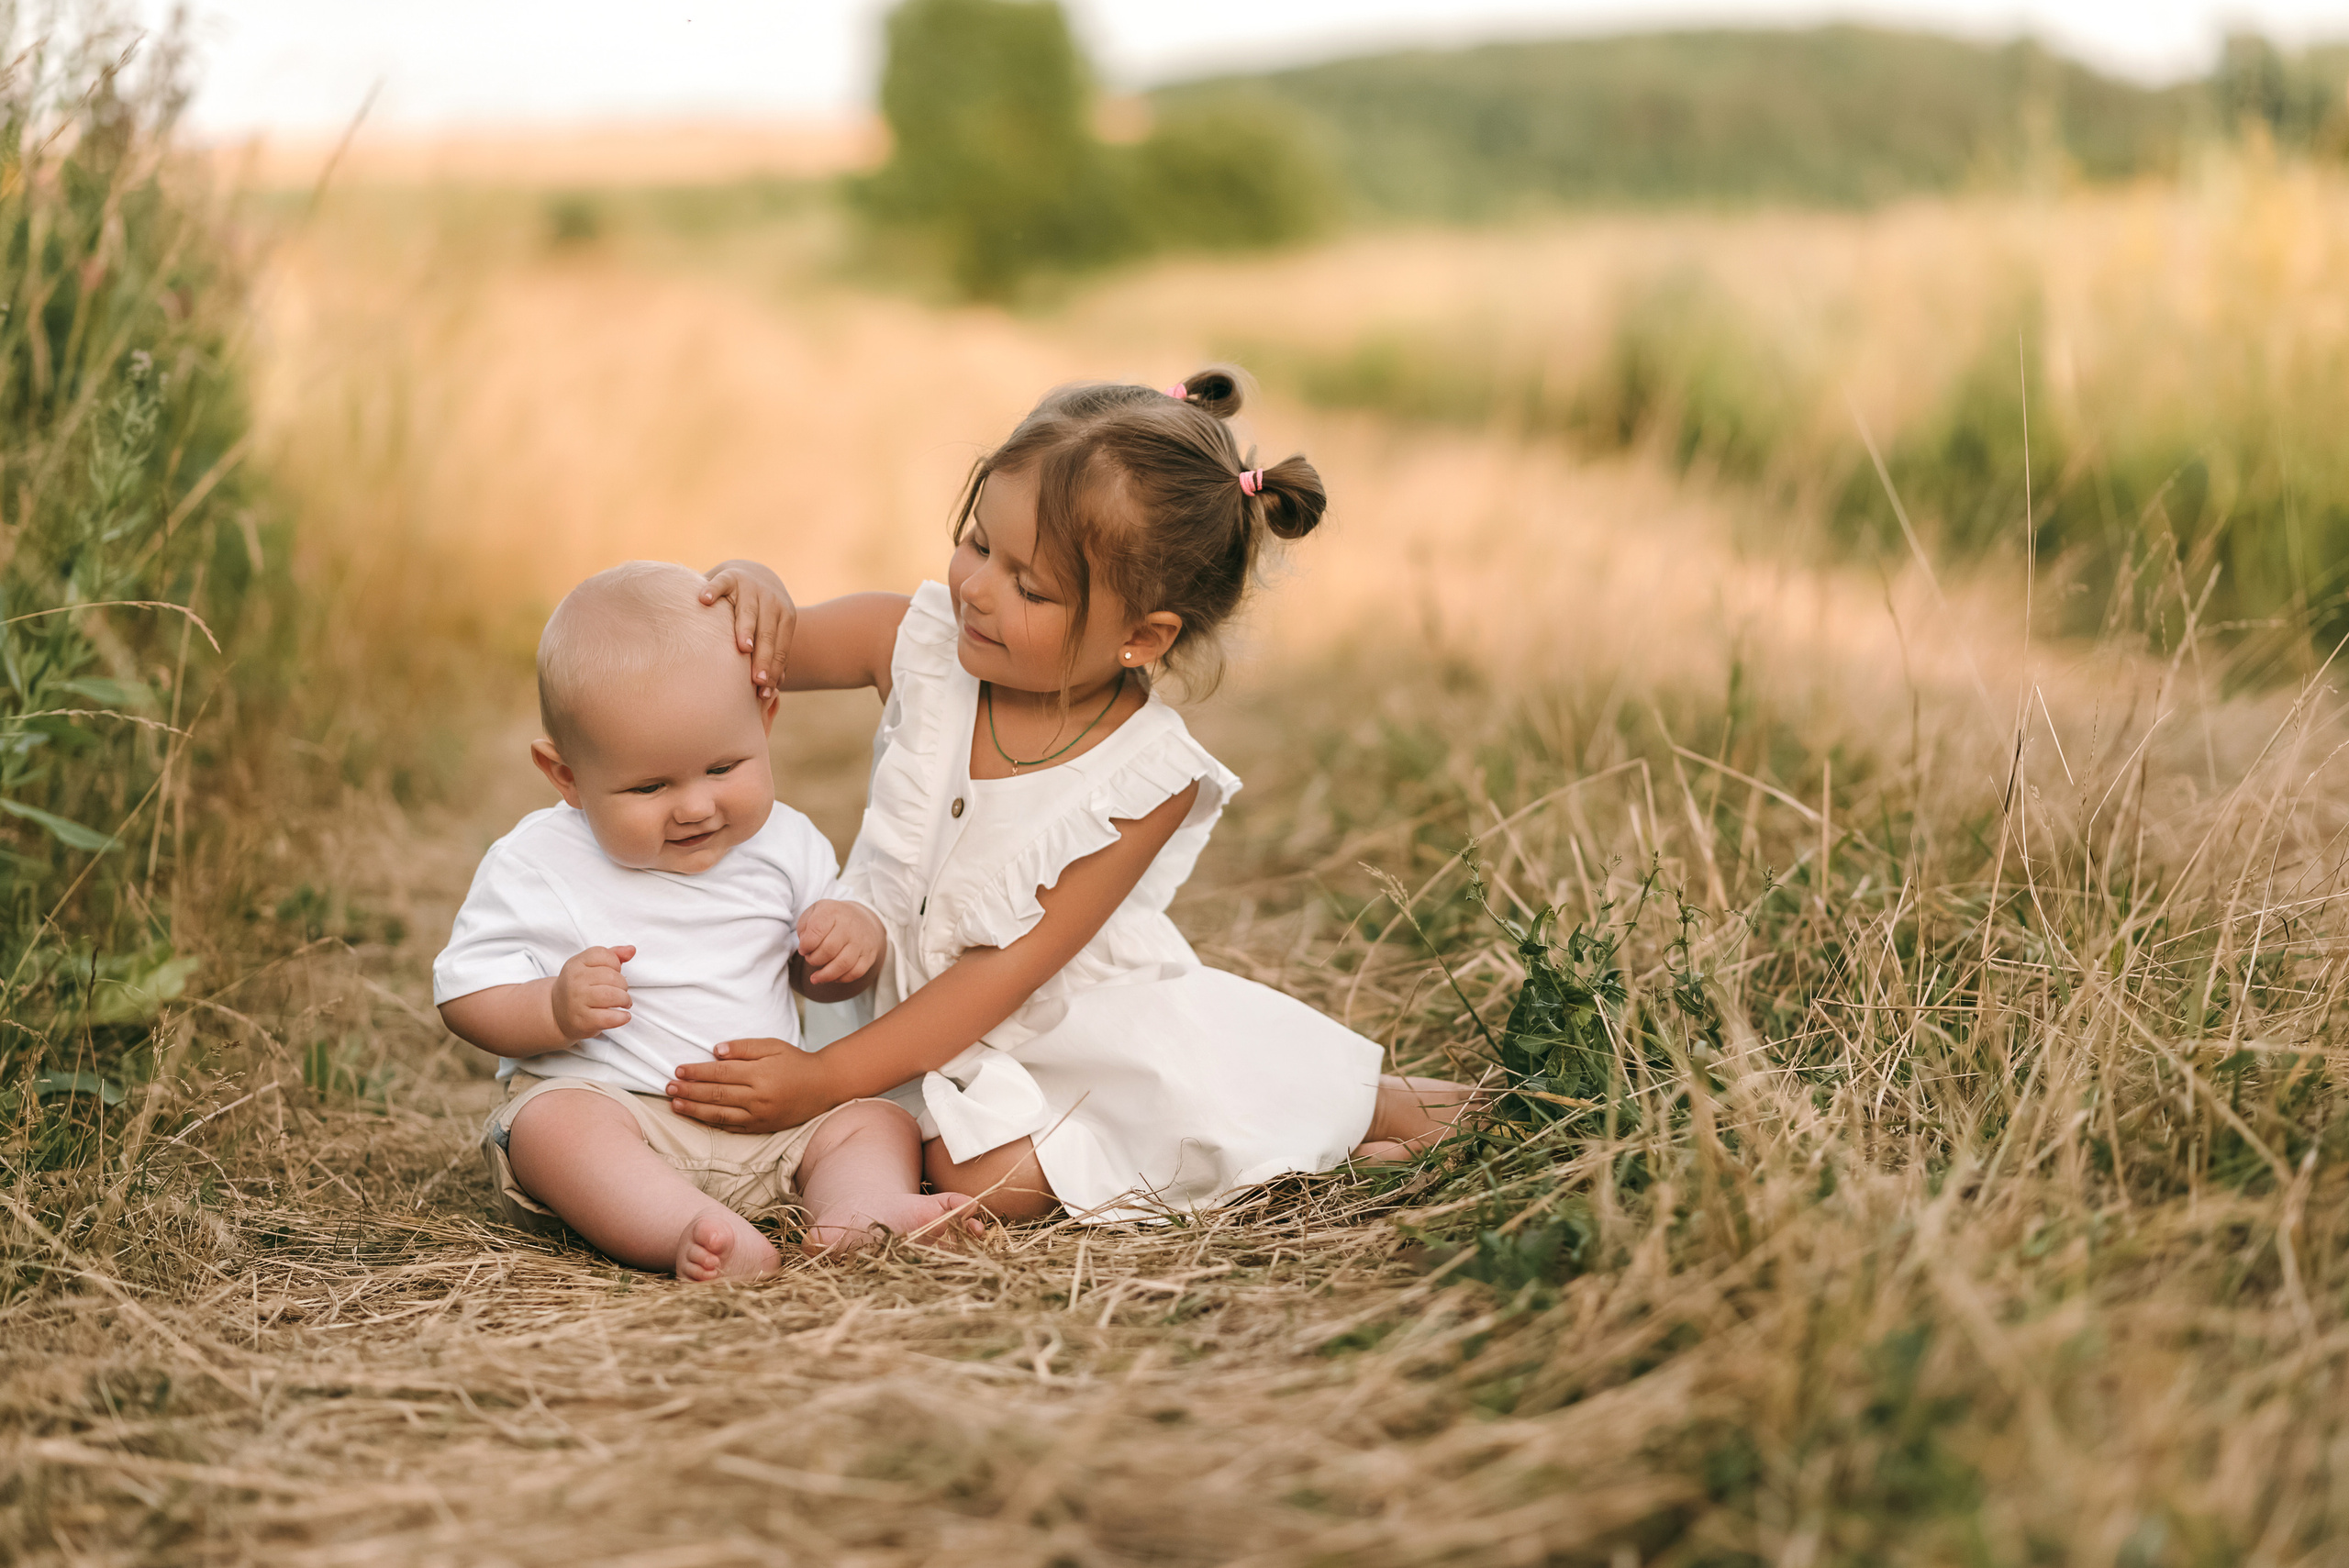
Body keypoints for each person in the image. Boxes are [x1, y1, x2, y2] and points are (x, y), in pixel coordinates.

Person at [667, 369, 1474, 1224]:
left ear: (1140, 636)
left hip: (1063, 1033)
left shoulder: (1146, 780)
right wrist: (746, 582)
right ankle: (1325, 1145)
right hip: (909, 1033)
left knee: (980, 1168)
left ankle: (1382, 1113)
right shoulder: (910, 640)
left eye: (1030, 587)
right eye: (979, 543)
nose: (976, 586)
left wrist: (825, 1080)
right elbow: (745, 651)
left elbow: (1002, 977)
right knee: (932, 1147)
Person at [433, 561, 978, 1280]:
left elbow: (818, 983)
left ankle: (856, 1212)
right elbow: (465, 995)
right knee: (550, 1128)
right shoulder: (537, 861)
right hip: (627, 1117)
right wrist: (552, 1007)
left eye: (723, 768)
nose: (694, 806)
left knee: (876, 1120)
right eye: (650, 786)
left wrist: (849, 948)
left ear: (767, 720)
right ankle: (686, 1227)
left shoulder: (786, 844)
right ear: (566, 776)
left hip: (775, 1124)